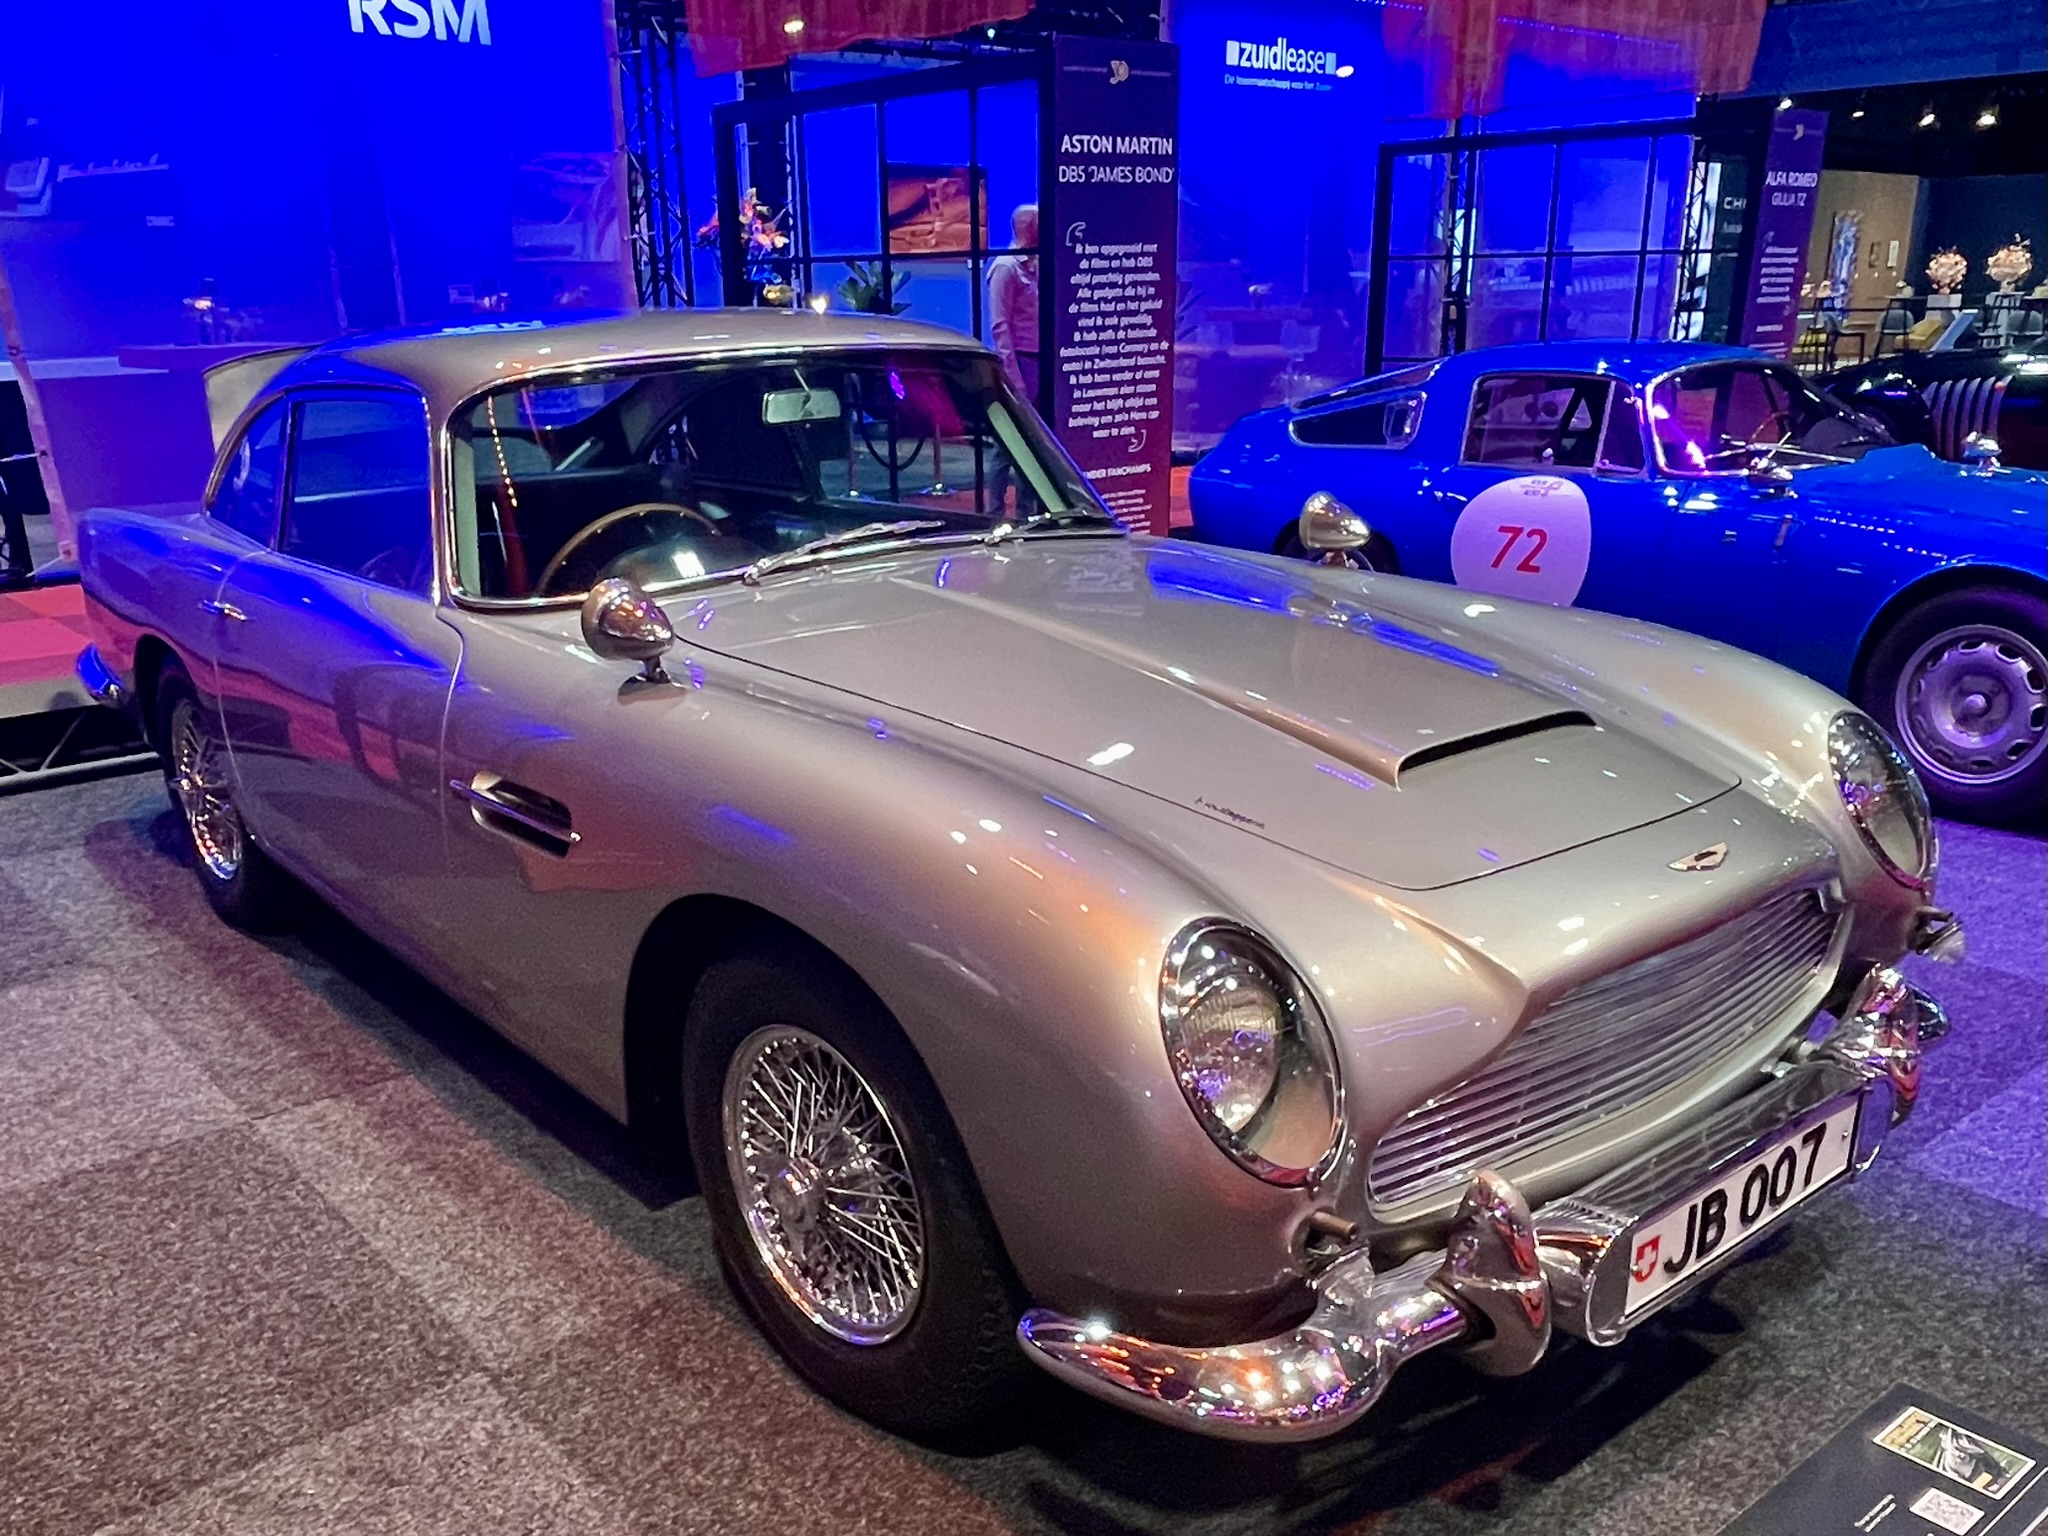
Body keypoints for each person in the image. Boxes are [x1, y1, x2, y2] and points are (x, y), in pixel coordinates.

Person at [986, 203, 1039, 516]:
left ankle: (1027, 510)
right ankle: (993, 512)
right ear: (1028, 228)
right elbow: (1000, 325)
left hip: (1040, 362)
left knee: (1035, 441)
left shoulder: (1037, 264)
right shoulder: (1006, 268)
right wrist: (1013, 374)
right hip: (1020, 362)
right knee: (1007, 443)